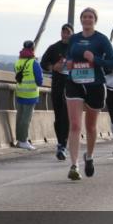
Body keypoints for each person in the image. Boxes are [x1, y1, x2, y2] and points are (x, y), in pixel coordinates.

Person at [64, 7, 113, 180]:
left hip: (95, 85)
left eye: (90, 17)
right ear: (81, 20)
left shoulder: (101, 39)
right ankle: (74, 165)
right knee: (74, 125)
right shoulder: (74, 39)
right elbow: (68, 58)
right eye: (84, 17)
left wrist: (95, 59)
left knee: (91, 127)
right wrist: (69, 63)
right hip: (75, 83)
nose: (87, 20)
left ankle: (89, 156)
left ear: (95, 20)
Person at [39, 24, 72, 159]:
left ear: (72, 34)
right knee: (59, 117)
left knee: (67, 116)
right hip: (58, 86)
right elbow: (43, 64)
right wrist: (53, 67)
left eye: (68, 32)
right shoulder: (54, 48)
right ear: (61, 34)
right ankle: (60, 143)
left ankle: (63, 144)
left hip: (72, 87)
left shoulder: (76, 48)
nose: (65, 35)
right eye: (63, 32)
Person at [14, 40, 44, 150]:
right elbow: (40, 81)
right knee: (26, 119)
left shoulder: (18, 62)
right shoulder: (34, 63)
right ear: (33, 49)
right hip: (30, 95)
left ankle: (19, 140)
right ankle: (23, 141)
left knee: (20, 117)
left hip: (19, 93)